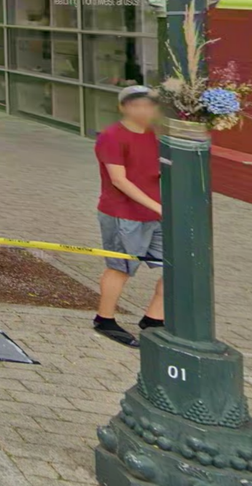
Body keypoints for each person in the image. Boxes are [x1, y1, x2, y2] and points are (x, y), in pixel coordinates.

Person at [93, 85, 166, 347]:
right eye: (136, 105)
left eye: (148, 105)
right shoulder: (111, 137)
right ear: (123, 107)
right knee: (120, 268)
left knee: (175, 267)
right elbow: (119, 180)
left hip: (155, 214)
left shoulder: (153, 135)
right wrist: (158, 207)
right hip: (122, 214)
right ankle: (105, 319)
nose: (144, 110)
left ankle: (154, 319)